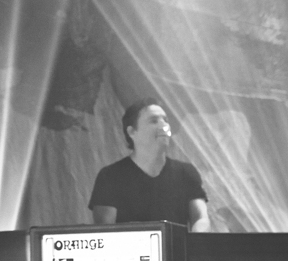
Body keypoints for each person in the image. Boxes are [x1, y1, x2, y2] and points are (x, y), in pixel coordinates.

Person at [89, 98, 210, 231]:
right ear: (132, 132)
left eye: (165, 120)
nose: (163, 125)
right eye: (154, 121)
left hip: (177, 245)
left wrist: (195, 239)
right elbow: (104, 231)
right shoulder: (110, 176)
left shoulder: (186, 172)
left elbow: (201, 218)